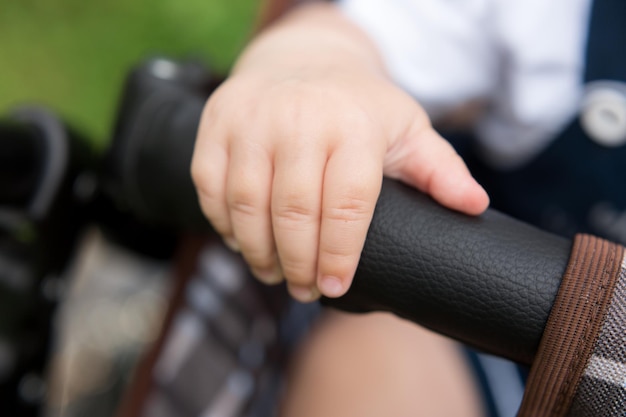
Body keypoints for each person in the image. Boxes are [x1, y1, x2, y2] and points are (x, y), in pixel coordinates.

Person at [191, 0, 626, 415]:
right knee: (374, 361)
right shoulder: (549, 17)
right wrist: (319, 68)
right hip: (497, 333)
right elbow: (375, 30)